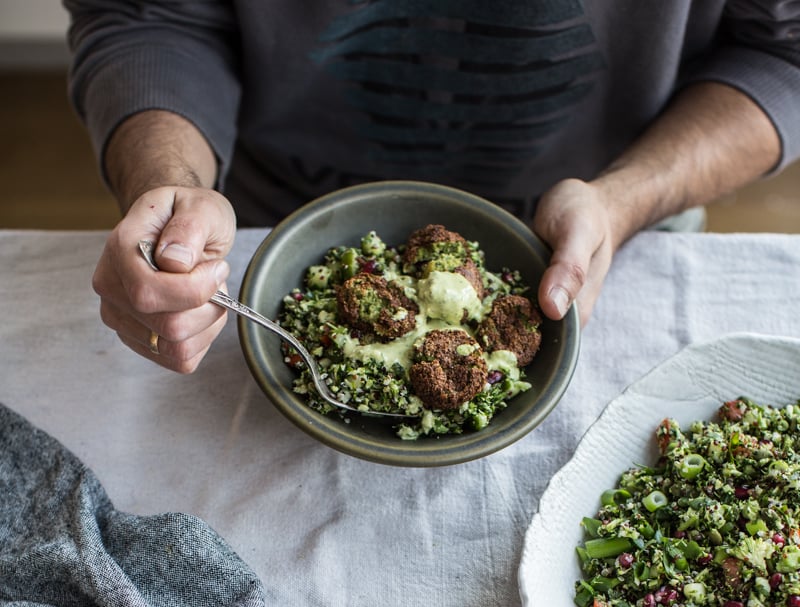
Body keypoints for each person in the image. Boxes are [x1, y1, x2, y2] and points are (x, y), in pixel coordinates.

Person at [64, 1, 800, 374]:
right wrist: (173, 187)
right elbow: (149, 14)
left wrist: (625, 198)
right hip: (265, 221)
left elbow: (783, 48)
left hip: (613, 213)